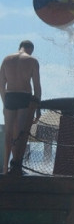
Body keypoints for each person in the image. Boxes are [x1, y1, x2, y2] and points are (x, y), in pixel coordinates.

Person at [1, 40, 41, 175]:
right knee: (19, 133)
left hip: (10, 96)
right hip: (24, 97)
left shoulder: (6, 59)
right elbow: (37, 87)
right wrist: (38, 109)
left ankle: (5, 168)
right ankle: (16, 165)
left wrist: (5, 103)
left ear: (20, 47)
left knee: (8, 133)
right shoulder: (32, 61)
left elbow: (1, 85)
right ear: (30, 49)